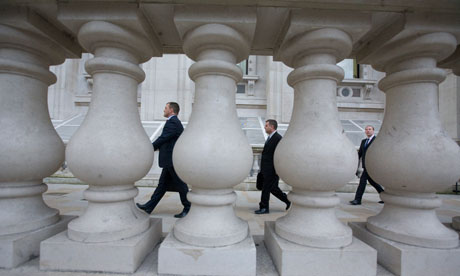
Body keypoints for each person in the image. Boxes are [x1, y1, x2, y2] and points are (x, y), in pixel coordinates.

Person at [136, 102, 191, 218]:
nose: (164, 110)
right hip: (169, 161)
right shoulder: (173, 122)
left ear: (171, 110)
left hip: (171, 160)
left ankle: (188, 208)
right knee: (162, 186)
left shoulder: (173, 122)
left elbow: (164, 138)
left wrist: (150, 147)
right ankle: (149, 206)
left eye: (166, 108)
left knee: (181, 185)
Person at [254, 119, 291, 214]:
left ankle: (264, 208)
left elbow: (280, 155)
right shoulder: (270, 137)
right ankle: (287, 200)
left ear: (272, 126)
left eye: (266, 125)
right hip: (266, 169)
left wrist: (277, 169)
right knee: (273, 188)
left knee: (266, 188)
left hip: (272, 170)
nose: (264, 127)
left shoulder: (278, 138)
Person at [350, 125, 384, 205]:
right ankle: (385, 197)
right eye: (366, 129)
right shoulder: (363, 141)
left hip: (372, 166)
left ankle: (357, 200)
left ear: (373, 131)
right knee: (373, 182)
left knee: (362, 181)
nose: (368, 130)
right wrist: (355, 163)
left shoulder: (376, 141)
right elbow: (360, 154)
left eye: (369, 129)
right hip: (365, 165)